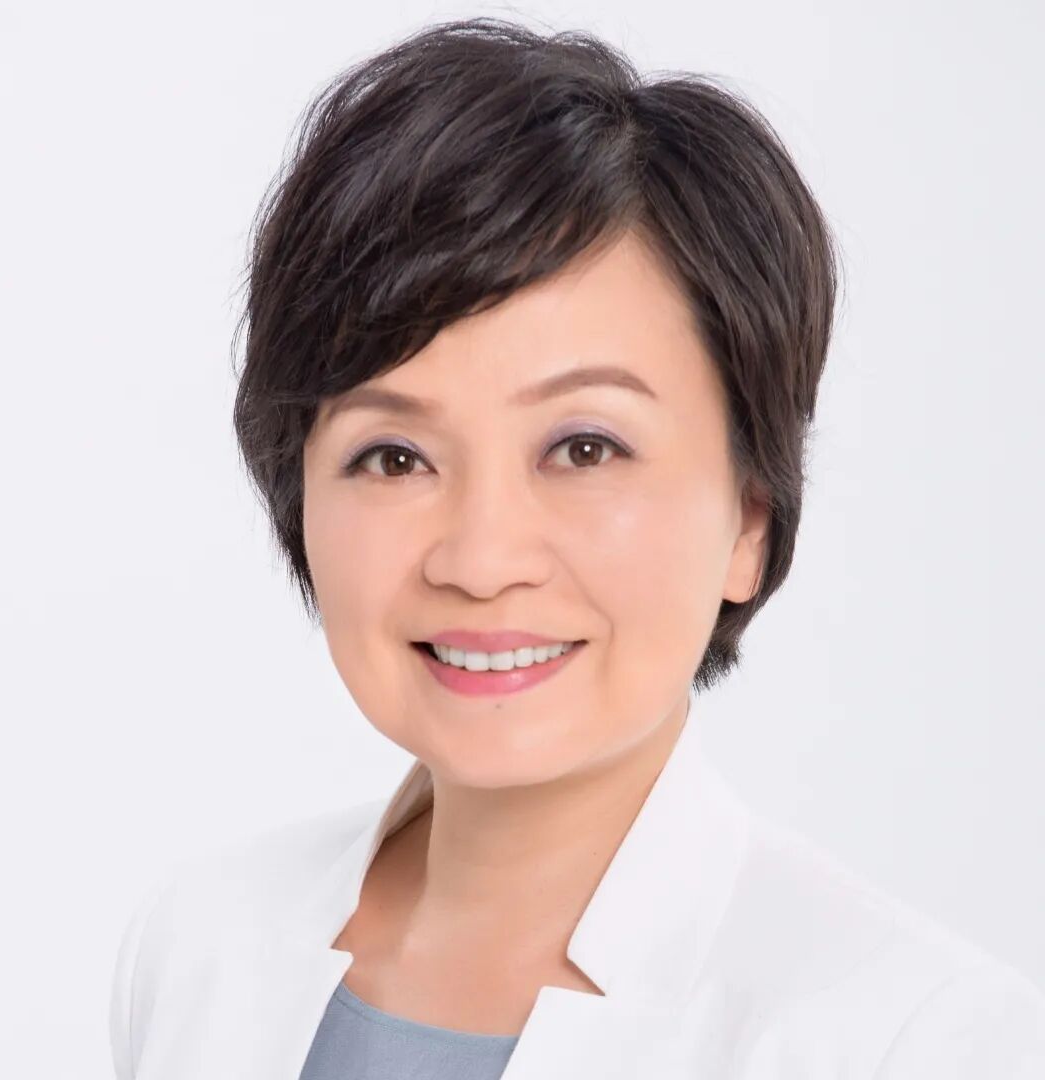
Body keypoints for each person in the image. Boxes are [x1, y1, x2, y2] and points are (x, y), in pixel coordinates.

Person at [108, 16, 1045, 1079]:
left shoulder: (914, 1040)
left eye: (584, 447)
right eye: (395, 457)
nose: (480, 558)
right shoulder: (199, 943)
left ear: (749, 518)